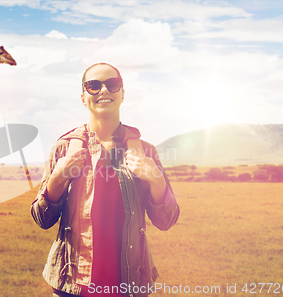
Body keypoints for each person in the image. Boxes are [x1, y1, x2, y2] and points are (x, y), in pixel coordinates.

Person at [31, 63, 180, 297]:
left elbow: (166, 220)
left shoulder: (145, 151)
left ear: (122, 94)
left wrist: (156, 179)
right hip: (71, 286)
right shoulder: (63, 149)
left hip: (131, 286)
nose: (103, 91)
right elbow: (42, 219)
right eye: (93, 85)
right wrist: (57, 179)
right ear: (83, 97)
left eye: (112, 84)